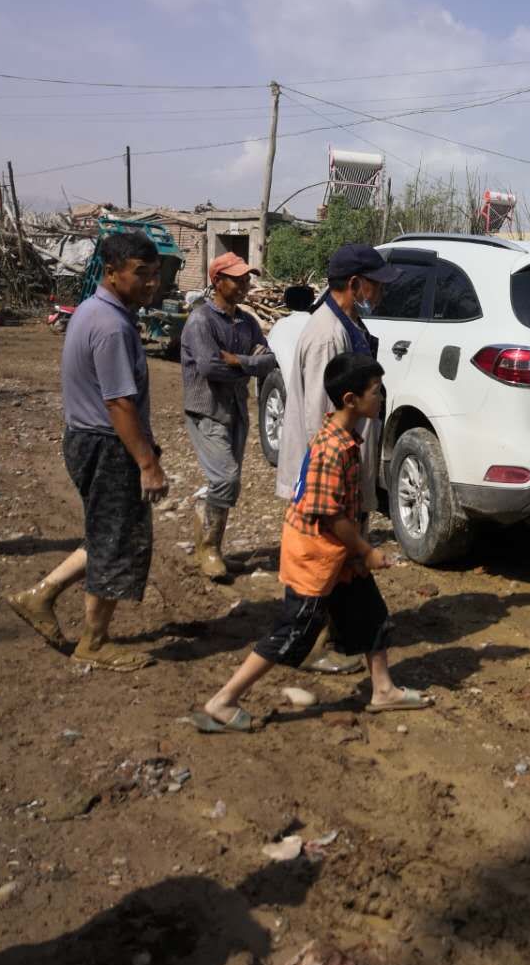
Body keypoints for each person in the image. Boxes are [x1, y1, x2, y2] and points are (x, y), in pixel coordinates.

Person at [190, 353, 431, 732]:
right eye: (375, 391)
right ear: (350, 399)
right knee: (292, 630)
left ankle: (383, 690)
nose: (381, 396)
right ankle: (222, 700)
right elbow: (328, 515)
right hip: (315, 555)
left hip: (336, 555)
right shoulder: (332, 449)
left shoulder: (343, 437)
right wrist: (366, 550)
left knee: (372, 615)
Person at [6, 232, 169, 670]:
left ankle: (40, 596)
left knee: (106, 534)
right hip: (107, 446)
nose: (151, 283)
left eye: (154, 274)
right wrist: (147, 462)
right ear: (111, 272)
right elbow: (118, 402)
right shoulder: (111, 325)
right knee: (118, 543)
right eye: (141, 274)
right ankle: (94, 643)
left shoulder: (93, 312)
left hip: (89, 439)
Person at [274, 243, 401, 674]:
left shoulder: (348, 324)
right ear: (355, 284)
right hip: (327, 472)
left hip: (341, 468)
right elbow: (319, 417)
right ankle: (314, 645)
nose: (380, 292)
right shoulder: (329, 333)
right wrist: (331, 480)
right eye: (375, 284)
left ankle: (341, 637)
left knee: (341, 562)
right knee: (326, 561)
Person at [180, 252, 277, 578]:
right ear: (217, 281)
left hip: (235, 408)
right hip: (207, 410)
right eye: (237, 279)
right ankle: (207, 550)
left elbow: (268, 360)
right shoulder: (200, 321)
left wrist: (238, 362)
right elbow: (209, 367)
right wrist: (247, 363)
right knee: (225, 478)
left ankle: (211, 547)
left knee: (227, 482)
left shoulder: (247, 322)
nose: (245, 285)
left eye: (247, 279)